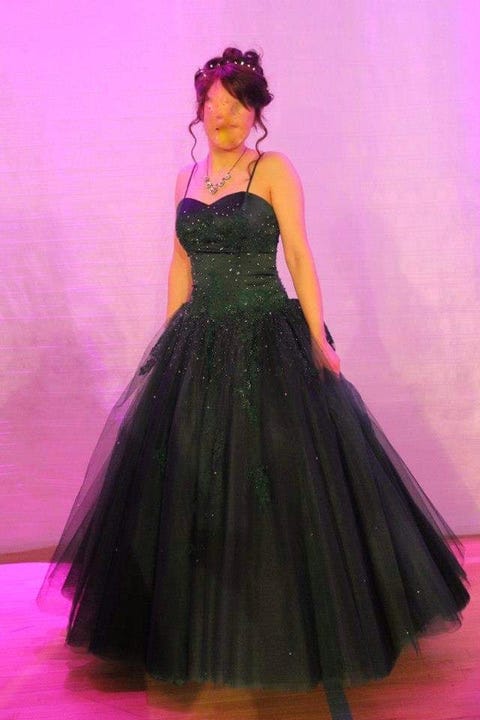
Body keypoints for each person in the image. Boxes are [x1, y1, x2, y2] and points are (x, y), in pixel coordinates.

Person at [36, 47, 470, 720]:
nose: (225, 116)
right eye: (214, 105)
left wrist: (318, 336)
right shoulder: (184, 178)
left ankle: (299, 631)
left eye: (237, 105)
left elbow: (297, 253)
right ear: (199, 112)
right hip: (199, 340)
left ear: (255, 112)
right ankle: (197, 632)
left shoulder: (274, 170)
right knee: (190, 486)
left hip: (268, 335)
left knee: (284, 485)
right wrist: (168, 342)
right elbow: (180, 264)